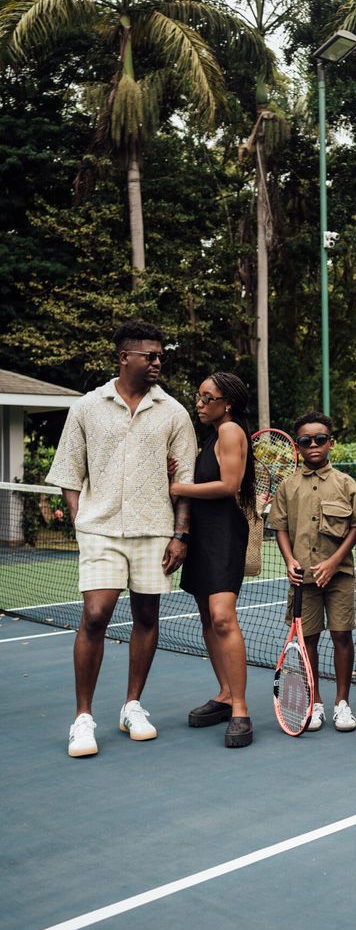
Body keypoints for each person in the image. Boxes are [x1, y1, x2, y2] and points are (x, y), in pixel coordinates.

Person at [47, 320, 197, 758]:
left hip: (155, 530)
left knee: (147, 616)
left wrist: (180, 534)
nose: (156, 363)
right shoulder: (88, 407)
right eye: (149, 356)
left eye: (160, 356)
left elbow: (184, 479)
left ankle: (132, 705)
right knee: (96, 615)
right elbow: (68, 471)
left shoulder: (174, 412)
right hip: (100, 530)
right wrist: (80, 520)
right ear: (124, 357)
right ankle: (83, 718)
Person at [168, 373, 256, 749]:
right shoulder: (210, 437)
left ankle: (240, 709)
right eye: (198, 396)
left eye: (208, 397)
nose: (200, 403)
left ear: (228, 404)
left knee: (222, 615)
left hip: (223, 532)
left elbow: (229, 484)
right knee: (207, 615)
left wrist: (177, 486)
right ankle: (223, 694)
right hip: (203, 533)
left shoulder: (231, 430)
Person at [268, 411, 356, 732]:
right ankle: (316, 703)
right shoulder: (287, 486)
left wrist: (335, 561)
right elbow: (280, 527)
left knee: (341, 635)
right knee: (307, 639)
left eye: (320, 439)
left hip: (339, 577)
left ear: (330, 444)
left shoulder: (346, 484)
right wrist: (289, 560)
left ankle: (342, 704)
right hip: (303, 581)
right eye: (306, 440)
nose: (314, 445)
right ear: (297, 447)